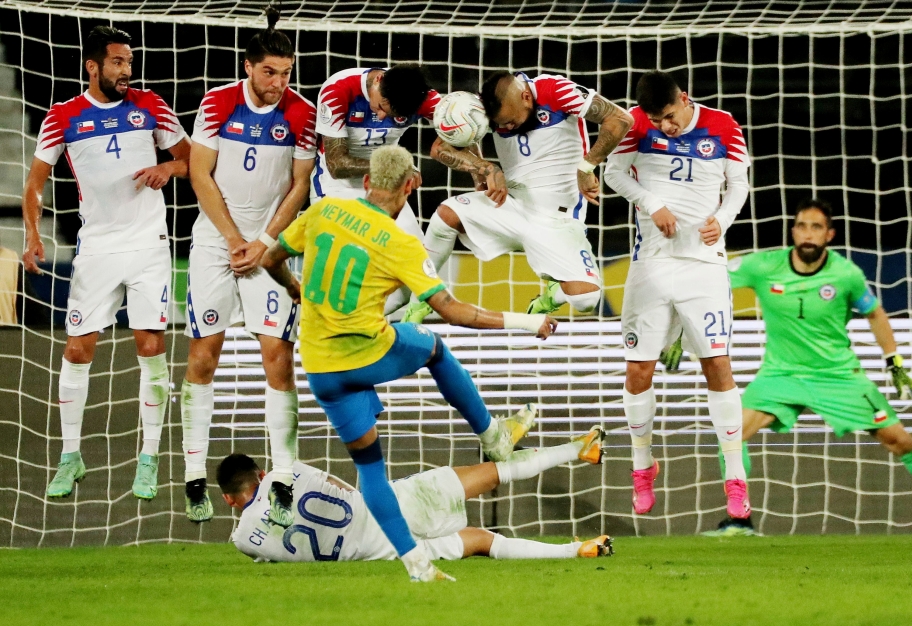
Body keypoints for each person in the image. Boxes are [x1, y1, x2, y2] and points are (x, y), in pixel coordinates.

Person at [261, 144, 559, 581]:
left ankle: (415, 563)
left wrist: (293, 286)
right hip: (369, 354)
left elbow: (270, 258)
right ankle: (493, 437)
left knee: (370, 468)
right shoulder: (401, 243)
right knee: (434, 346)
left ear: (366, 182)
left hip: (322, 370)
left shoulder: (323, 210)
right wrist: (525, 321)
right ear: (410, 185)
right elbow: (455, 311)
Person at [673, 198, 912, 536]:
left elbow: (875, 313)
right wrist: (679, 335)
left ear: (830, 234)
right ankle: (740, 519)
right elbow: (708, 282)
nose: (808, 234)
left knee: (899, 441)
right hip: (782, 374)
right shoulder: (763, 266)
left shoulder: (846, 274)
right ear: (793, 231)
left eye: (817, 227)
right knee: (731, 434)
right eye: (802, 226)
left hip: (838, 376)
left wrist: (893, 361)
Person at [22, 25, 190, 500]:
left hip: (149, 244)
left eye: (129, 62)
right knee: (76, 349)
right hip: (96, 245)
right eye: (117, 62)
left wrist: (166, 167)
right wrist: (33, 234)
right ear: (93, 66)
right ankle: (70, 456)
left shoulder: (150, 106)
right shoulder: (63, 116)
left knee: (150, 344)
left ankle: (149, 458)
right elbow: (35, 183)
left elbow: (190, 159)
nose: (126, 71)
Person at [179, 7, 316, 526]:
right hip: (216, 242)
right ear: (248, 66)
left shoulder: (302, 114)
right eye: (269, 72)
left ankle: (282, 479)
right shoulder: (216, 103)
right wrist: (236, 238)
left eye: (286, 73)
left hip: (270, 247)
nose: (279, 83)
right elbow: (199, 174)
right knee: (203, 357)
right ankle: (194, 475)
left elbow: (299, 186)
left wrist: (263, 242)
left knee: (278, 358)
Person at [603, 71, 751, 518]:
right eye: (656, 119)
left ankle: (735, 477)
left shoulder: (724, 124)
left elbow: (739, 185)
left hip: (704, 266)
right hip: (651, 263)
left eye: (669, 117)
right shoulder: (634, 123)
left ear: (684, 99)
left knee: (718, 366)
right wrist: (653, 204)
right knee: (637, 373)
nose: (663, 126)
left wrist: (722, 220)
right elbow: (612, 173)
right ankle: (642, 468)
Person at [401, 70, 633, 322]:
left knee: (586, 300)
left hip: (557, 220)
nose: (507, 127)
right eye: (502, 125)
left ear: (525, 97)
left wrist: (587, 166)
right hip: (509, 205)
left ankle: (552, 295)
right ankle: (420, 303)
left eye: (510, 121)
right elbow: (440, 149)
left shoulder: (556, 90)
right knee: (445, 215)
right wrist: (485, 168)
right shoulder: (485, 107)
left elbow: (620, 119)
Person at [220, 427, 611, 564]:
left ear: (228, 499)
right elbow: (342, 488)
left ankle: (573, 551)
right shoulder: (288, 472)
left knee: (480, 541)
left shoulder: (243, 540)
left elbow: (263, 547)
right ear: (261, 473)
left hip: (387, 552)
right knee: (493, 473)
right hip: (392, 504)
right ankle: (578, 449)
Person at [312, 64, 439, 314]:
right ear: (378, 80)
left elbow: (462, 121)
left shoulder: (420, 96)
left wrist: (481, 167)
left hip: (385, 185)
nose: (381, 116)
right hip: (338, 185)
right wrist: (395, 166)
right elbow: (337, 164)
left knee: (416, 275)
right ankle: (324, 326)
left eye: (389, 114)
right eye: (381, 106)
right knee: (342, 269)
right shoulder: (338, 89)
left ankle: (355, 321)